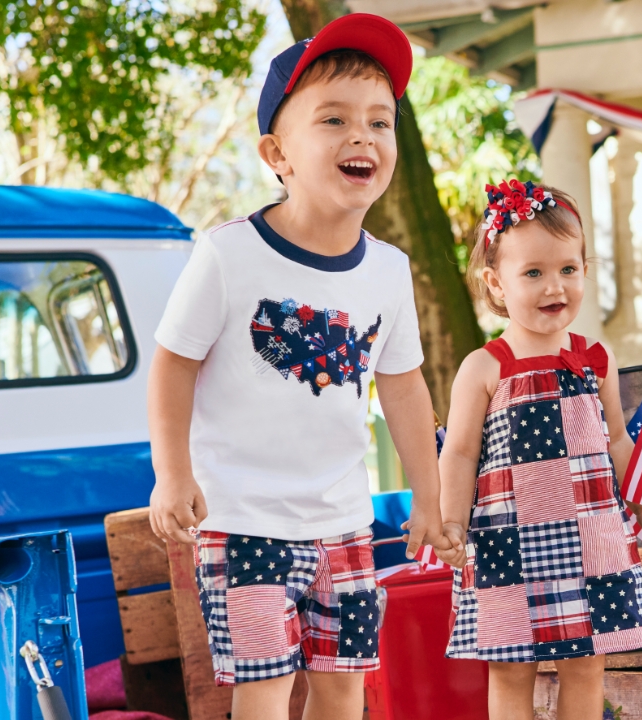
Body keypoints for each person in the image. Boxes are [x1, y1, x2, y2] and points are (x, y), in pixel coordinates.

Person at [146, 15, 452, 720]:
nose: (361, 136)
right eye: (334, 119)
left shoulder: (389, 270)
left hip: (344, 523)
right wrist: (173, 473)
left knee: (344, 689)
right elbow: (172, 366)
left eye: (380, 122)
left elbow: (403, 387)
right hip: (243, 522)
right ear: (277, 153)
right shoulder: (229, 254)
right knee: (265, 689)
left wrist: (429, 496)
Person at [434, 180, 642, 720]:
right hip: (507, 544)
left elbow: (618, 440)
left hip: (592, 539)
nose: (554, 286)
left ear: (585, 270)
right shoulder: (485, 366)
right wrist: (451, 521)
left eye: (568, 269)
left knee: (587, 664)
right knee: (510, 668)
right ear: (496, 283)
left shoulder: (596, 358)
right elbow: (459, 454)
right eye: (533, 273)